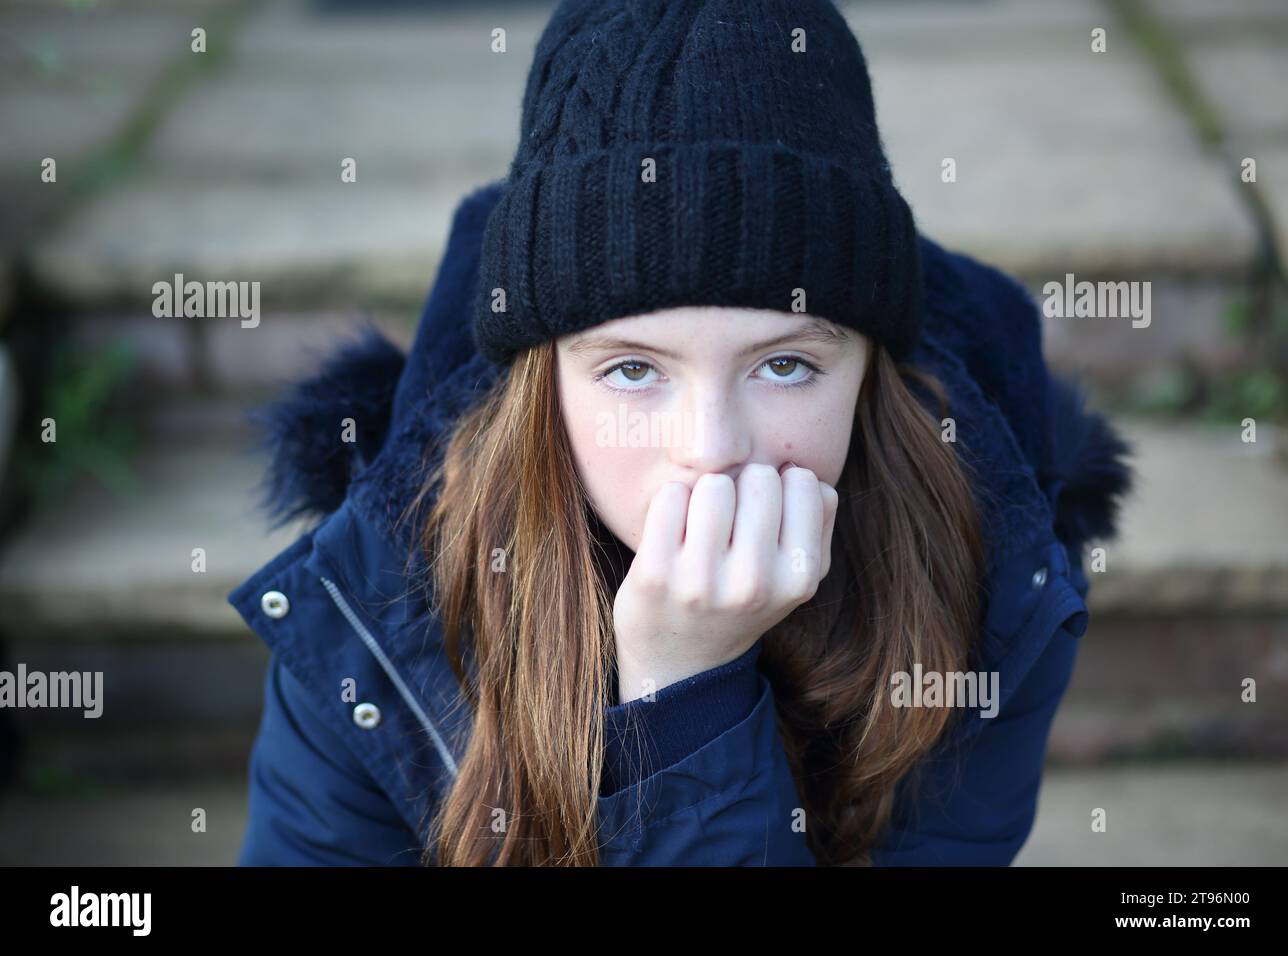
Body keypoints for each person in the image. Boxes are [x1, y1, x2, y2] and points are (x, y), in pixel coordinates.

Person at [230, 0, 1134, 866]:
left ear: (868, 373)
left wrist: (681, 704)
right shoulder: (380, 599)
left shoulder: (990, 576)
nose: (710, 449)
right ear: (544, 381)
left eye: (784, 365)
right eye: (633, 369)